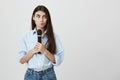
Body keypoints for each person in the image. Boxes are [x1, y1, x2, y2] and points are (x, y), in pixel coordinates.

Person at [18, 5, 64, 80]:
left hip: (48, 75)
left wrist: (44, 51)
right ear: (33, 18)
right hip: (31, 75)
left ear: (47, 19)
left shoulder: (54, 37)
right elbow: (21, 60)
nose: (41, 20)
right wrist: (33, 51)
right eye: (38, 16)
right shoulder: (26, 37)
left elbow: (59, 60)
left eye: (44, 17)